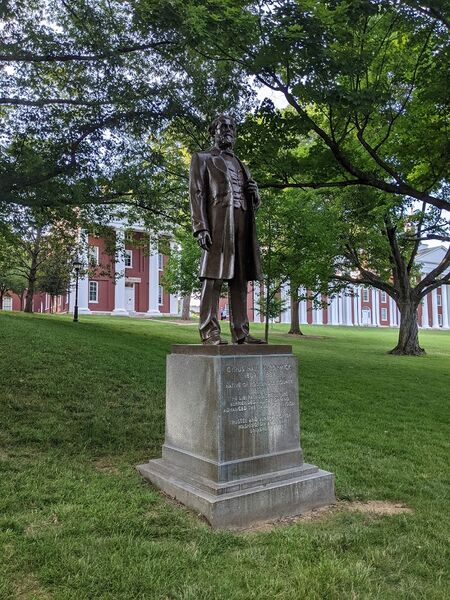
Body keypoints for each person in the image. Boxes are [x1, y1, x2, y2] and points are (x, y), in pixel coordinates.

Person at [189, 115, 266, 345]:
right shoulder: (202, 159)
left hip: (242, 222)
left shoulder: (242, 164)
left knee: (240, 279)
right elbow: (197, 194)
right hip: (218, 224)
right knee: (213, 278)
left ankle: (241, 332)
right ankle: (209, 331)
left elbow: (249, 198)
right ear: (214, 131)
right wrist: (200, 227)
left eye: (232, 128)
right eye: (224, 127)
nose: (229, 131)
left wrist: (255, 196)